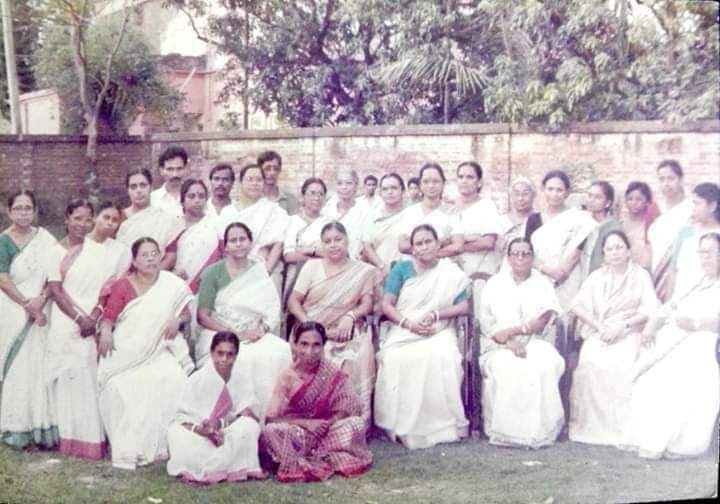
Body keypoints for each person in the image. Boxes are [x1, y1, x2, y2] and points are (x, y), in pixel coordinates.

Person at [97, 237, 193, 469]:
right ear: (135, 261)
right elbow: (109, 318)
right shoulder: (123, 285)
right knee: (123, 385)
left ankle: (165, 445)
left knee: (173, 378)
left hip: (161, 350)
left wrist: (177, 320)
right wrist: (106, 333)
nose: (150, 259)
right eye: (144, 255)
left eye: (154, 253)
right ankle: (134, 445)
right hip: (128, 350)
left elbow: (186, 314)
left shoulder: (171, 284)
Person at [623, 232, 720, 459]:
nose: (705, 258)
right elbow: (668, 307)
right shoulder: (696, 281)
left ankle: (681, 443)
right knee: (650, 377)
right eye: (702, 252)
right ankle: (653, 438)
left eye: (710, 252)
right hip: (677, 335)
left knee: (679, 374)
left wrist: (696, 324)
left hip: (706, 338)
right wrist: (651, 325)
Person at [46, 200, 129, 460]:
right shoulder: (54, 251)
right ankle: (68, 439)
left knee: (88, 377)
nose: (82, 224)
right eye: (77, 218)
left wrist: (93, 317)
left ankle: (92, 439)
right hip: (65, 321)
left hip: (91, 321)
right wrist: (79, 318)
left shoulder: (99, 251)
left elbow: (105, 291)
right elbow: (55, 290)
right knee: (67, 377)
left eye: (87, 219)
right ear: (67, 218)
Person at [375, 224, 470, 449]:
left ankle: (443, 427)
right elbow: (387, 304)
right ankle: (402, 426)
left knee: (445, 356)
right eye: (419, 243)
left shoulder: (450, 272)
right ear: (413, 248)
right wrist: (408, 324)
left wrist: (437, 314)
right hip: (404, 328)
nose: (424, 247)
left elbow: (464, 306)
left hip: (439, 329)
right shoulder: (401, 269)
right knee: (396, 359)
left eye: (429, 241)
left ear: (438, 244)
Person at [568, 230, 659, 446]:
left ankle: (621, 429)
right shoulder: (596, 277)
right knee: (591, 360)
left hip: (629, 331)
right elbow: (577, 305)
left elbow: (651, 308)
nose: (615, 252)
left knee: (622, 363)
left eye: (619, 247)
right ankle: (592, 427)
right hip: (601, 331)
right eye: (609, 249)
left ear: (628, 251)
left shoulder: (640, 275)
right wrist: (599, 326)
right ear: (604, 254)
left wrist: (623, 326)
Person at [287, 221, 378, 425]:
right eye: (327, 241)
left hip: (345, 330)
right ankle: (316, 420)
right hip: (310, 329)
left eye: (338, 239)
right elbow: (293, 301)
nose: (333, 245)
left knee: (361, 353)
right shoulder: (312, 267)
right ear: (321, 244)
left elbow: (367, 304)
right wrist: (312, 327)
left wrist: (351, 316)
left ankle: (352, 420)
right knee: (314, 352)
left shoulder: (362, 271)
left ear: (347, 241)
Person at [197, 223, 291, 415]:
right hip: (220, 331)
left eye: (243, 239)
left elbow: (271, 310)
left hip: (254, 332)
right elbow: (202, 316)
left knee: (280, 350)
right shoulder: (213, 273)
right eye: (233, 240)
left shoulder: (259, 271)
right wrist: (235, 334)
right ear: (226, 246)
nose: (238, 244)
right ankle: (233, 414)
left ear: (250, 243)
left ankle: (269, 414)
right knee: (242, 358)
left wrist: (260, 330)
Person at [479, 237, 564, 448]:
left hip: (536, 340)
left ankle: (539, 431)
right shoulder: (495, 284)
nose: (520, 258)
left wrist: (516, 332)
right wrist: (509, 342)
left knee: (543, 364)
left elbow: (544, 319)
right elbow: (486, 323)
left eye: (525, 253)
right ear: (508, 258)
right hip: (498, 345)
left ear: (532, 257)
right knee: (507, 366)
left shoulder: (542, 283)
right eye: (515, 254)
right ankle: (508, 432)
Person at [261, 321, 372, 482]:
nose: (310, 351)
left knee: (356, 424)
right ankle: (303, 459)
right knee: (272, 431)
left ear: (323, 346)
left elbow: (346, 404)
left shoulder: (331, 370)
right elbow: (270, 419)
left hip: (327, 430)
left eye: (316, 345)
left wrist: (327, 423)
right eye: (304, 344)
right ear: (295, 345)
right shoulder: (287, 377)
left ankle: (312, 455)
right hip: (298, 434)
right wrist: (307, 424)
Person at [0, 190, 58, 449]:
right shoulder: (3, 241)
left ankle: (43, 426)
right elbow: (3, 279)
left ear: (35, 211)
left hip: (43, 307)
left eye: (27, 208)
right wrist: (28, 305)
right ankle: (17, 428)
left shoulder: (45, 239)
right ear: (9, 211)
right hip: (13, 310)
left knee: (40, 365)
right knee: (18, 367)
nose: (23, 213)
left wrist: (41, 300)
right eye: (18, 208)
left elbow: (55, 274)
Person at [167, 332, 265, 484]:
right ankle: (214, 467)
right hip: (200, 434)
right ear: (212, 353)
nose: (224, 359)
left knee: (250, 426)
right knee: (175, 432)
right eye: (220, 353)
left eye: (230, 354)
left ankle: (230, 467)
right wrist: (202, 430)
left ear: (236, 356)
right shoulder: (197, 379)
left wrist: (222, 426)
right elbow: (181, 417)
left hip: (228, 433)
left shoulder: (242, 378)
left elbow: (248, 411)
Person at [527, 170, 597, 311]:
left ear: (567, 192)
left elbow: (578, 250)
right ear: (543, 190)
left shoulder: (579, 219)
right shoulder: (533, 219)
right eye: (550, 189)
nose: (554, 194)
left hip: (569, 279)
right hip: (539, 279)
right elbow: (526, 252)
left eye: (559, 190)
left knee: (566, 317)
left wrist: (561, 272)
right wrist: (547, 270)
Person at [218, 164, 289, 297]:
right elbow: (223, 246)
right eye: (250, 179)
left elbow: (278, 245)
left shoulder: (274, 211)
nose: (254, 183)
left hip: (266, 270)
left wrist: (265, 273)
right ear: (241, 182)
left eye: (258, 180)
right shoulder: (227, 212)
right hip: (234, 271)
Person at [452, 161, 503, 314]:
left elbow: (488, 242)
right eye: (461, 177)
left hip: (481, 271)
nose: (464, 181)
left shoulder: (487, 206)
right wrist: (471, 238)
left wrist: (458, 244)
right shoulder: (449, 207)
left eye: (470, 177)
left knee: (480, 315)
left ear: (479, 182)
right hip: (453, 271)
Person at [164, 179, 222, 294]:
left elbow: (225, 256)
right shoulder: (173, 226)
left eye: (201, 196)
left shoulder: (216, 223)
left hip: (210, 287)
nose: (197, 200)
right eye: (191, 196)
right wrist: (170, 275)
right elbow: (163, 260)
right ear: (182, 201)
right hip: (177, 288)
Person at [648, 159, 692, 300]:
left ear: (681, 179)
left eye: (671, 178)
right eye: (662, 179)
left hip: (684, 272)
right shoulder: (655, 209)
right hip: (658, 271)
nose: (666, 184)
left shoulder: (691, 209)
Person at [397, 163, 463, 259]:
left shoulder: (452, 212)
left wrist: (429, 256)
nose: (431, 185)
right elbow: (403, 246)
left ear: (443, 183)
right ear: (420, 185)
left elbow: (458, 247)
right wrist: (443, 242)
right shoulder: (410, 212)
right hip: (413, 266)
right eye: (426, 181)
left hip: (443, 265)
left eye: (436, 181)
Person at [116, 168, 183, 258]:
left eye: (143, 185)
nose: (138, 190)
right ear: (128, 190)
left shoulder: (165, 219)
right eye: (133, 187)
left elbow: (171, 255)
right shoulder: (118, 217)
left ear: (151, 188)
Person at [669, 182, 720, 300]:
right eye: (692, 203)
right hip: (681, 301)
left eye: (697, 204)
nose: (693, 208)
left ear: (712, 206)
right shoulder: (685, 233)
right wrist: (669, 302)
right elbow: (673, 270)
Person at [362, 173, 407, 278]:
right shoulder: (372, 216)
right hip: (378, 273)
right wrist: (382, 266)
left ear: (403, 190)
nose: (389, 192)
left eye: (394, 188)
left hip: (405, 272)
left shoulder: (411, 214)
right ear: (380, 193)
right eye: (385, 189)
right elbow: (366, 245)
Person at [321, 168, 372, 259]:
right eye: (339, 183)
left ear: (356, 185)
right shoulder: (327, 210)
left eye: (349, 183)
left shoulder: (365, 211)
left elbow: (366, 243)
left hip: (355, 261)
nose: (344, 187)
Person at [580, 180, 622, 277]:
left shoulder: (613, 226)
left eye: (597, 197)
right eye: (589, 195)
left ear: (608, 203)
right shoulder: (581, 221)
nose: (591, 200)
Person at [621, 181, 658, 270]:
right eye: (630, 199)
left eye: (638, 199)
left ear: (646, 201)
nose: (634, 202)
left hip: (647, 271)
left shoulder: (652, 226)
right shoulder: (620, 225)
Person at [498, 176, 536, 260]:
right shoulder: (500, 221)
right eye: (516, 194)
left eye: (525, 194)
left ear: (533, 195)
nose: (520, 198)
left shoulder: (539, 220)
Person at [151, 146, 190, 217]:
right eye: (170, 169)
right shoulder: (153, 200)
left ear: (185, 169)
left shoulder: (194, 197)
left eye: (179, 168)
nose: (175, 174)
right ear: (161, 171)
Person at [259, 151, 299, 215]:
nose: (272, 173)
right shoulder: (254, 197)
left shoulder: (290, 199)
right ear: (259, 170)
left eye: (276, 169)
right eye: (267, 169)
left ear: (279, 171)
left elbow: (294, 220)